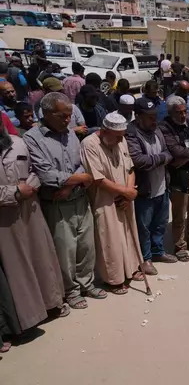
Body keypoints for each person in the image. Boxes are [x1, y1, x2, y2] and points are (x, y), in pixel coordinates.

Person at [24, 92, 105, 309]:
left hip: (78, 197)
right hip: (57, 205)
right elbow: (47, 175)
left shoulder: (69, 134)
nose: (68, 121)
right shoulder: (32, 138)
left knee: (86, 246)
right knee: (65, 251)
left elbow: (82, 164)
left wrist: (70, 185)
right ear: (47, 113)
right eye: (63, 116)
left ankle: (86, 283)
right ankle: (70, 291)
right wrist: (79, 179)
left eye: (70, 116)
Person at [0, 108, 70, 330]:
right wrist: (13, 193)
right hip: (5, 220)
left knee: (42, 258)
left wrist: (31, 186)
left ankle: (53, 304)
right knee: (18, 268)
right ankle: (29, 317)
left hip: (31, 210)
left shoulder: (17, 143)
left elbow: (35, 170)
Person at [80, 112, 145, 295]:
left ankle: (131, 269)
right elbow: (97, 178)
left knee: (127, 232)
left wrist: (128, 193)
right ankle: (113, 279)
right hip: (104, 199)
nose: (120, 140)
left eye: (121, 136)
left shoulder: (120, 140)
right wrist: (125, 192)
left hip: (125, 195)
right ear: (104, 131)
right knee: (110, 238)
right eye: (116, 137)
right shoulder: (89, 144)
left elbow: (130, 168)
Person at [127, 97, 175, 275]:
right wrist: (161, 158)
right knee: (144, 227)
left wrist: (160, 158)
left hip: (162, 185)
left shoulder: (157, 130)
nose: (154, 120)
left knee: (160, 222)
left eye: (155, 116)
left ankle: (158, 252)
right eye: (149, 117)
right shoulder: (131, 134)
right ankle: (145, 258)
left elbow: (169, 152)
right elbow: (139, 161)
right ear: (138, 116)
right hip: (145, 190)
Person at [159, 96, 189, 259]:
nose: (182, 115)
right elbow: (175, 152)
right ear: (171, 112)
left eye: (184, 111)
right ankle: (180, 246)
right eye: (178, 112)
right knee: (179, 215)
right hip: (180, 178)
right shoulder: (165, 127)